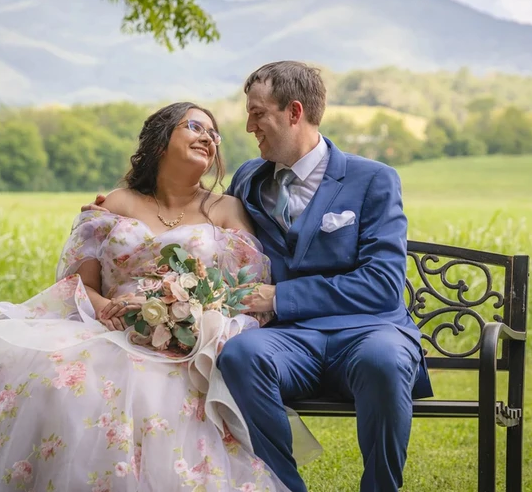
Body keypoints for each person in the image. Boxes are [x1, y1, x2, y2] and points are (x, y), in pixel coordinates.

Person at [0, 102, 304, 492]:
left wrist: (180, 315)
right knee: (48, 379)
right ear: (160, 140)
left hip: (186, 340)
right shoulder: (117, 202)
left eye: (214, 132)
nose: (208, 137)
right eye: (194, 126)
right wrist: (103, 308)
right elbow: (80, 283)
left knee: (151, 396)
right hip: (105, 327)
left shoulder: (225, 210)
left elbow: (246, 287)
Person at [86, 61, 434, 492]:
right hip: (288, 341)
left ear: (294, 111)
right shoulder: (249, 178)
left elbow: (381, 285)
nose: (249, 126)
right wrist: (118, 211)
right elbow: (205, 227)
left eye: (258, 113)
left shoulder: (372, 179)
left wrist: (280, 296)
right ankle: (284, 486)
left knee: (383, 361)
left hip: (367, 332)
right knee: (240, 354)